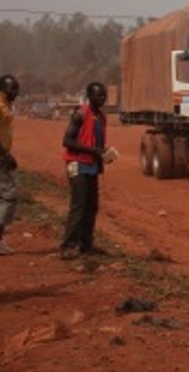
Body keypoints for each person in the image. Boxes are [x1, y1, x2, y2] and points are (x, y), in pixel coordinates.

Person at [60, 81, 112, 259]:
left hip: (92, 166)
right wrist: (93, 150)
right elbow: (67, 141)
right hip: (77, 164)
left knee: (92, 206)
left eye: (104, 95)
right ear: (90, 96)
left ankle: (85, 244)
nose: (102, 98)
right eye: (98, 95)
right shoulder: (80, 114)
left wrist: (103, 154)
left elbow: (96, 143)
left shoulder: (102, 118)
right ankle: (68, 245)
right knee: (79, 205)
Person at [0, 75, 20, 255]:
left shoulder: (6, 106)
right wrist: (5, 155)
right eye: (11, 89)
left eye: (16, 90)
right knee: (8, 196)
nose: (14, 93)